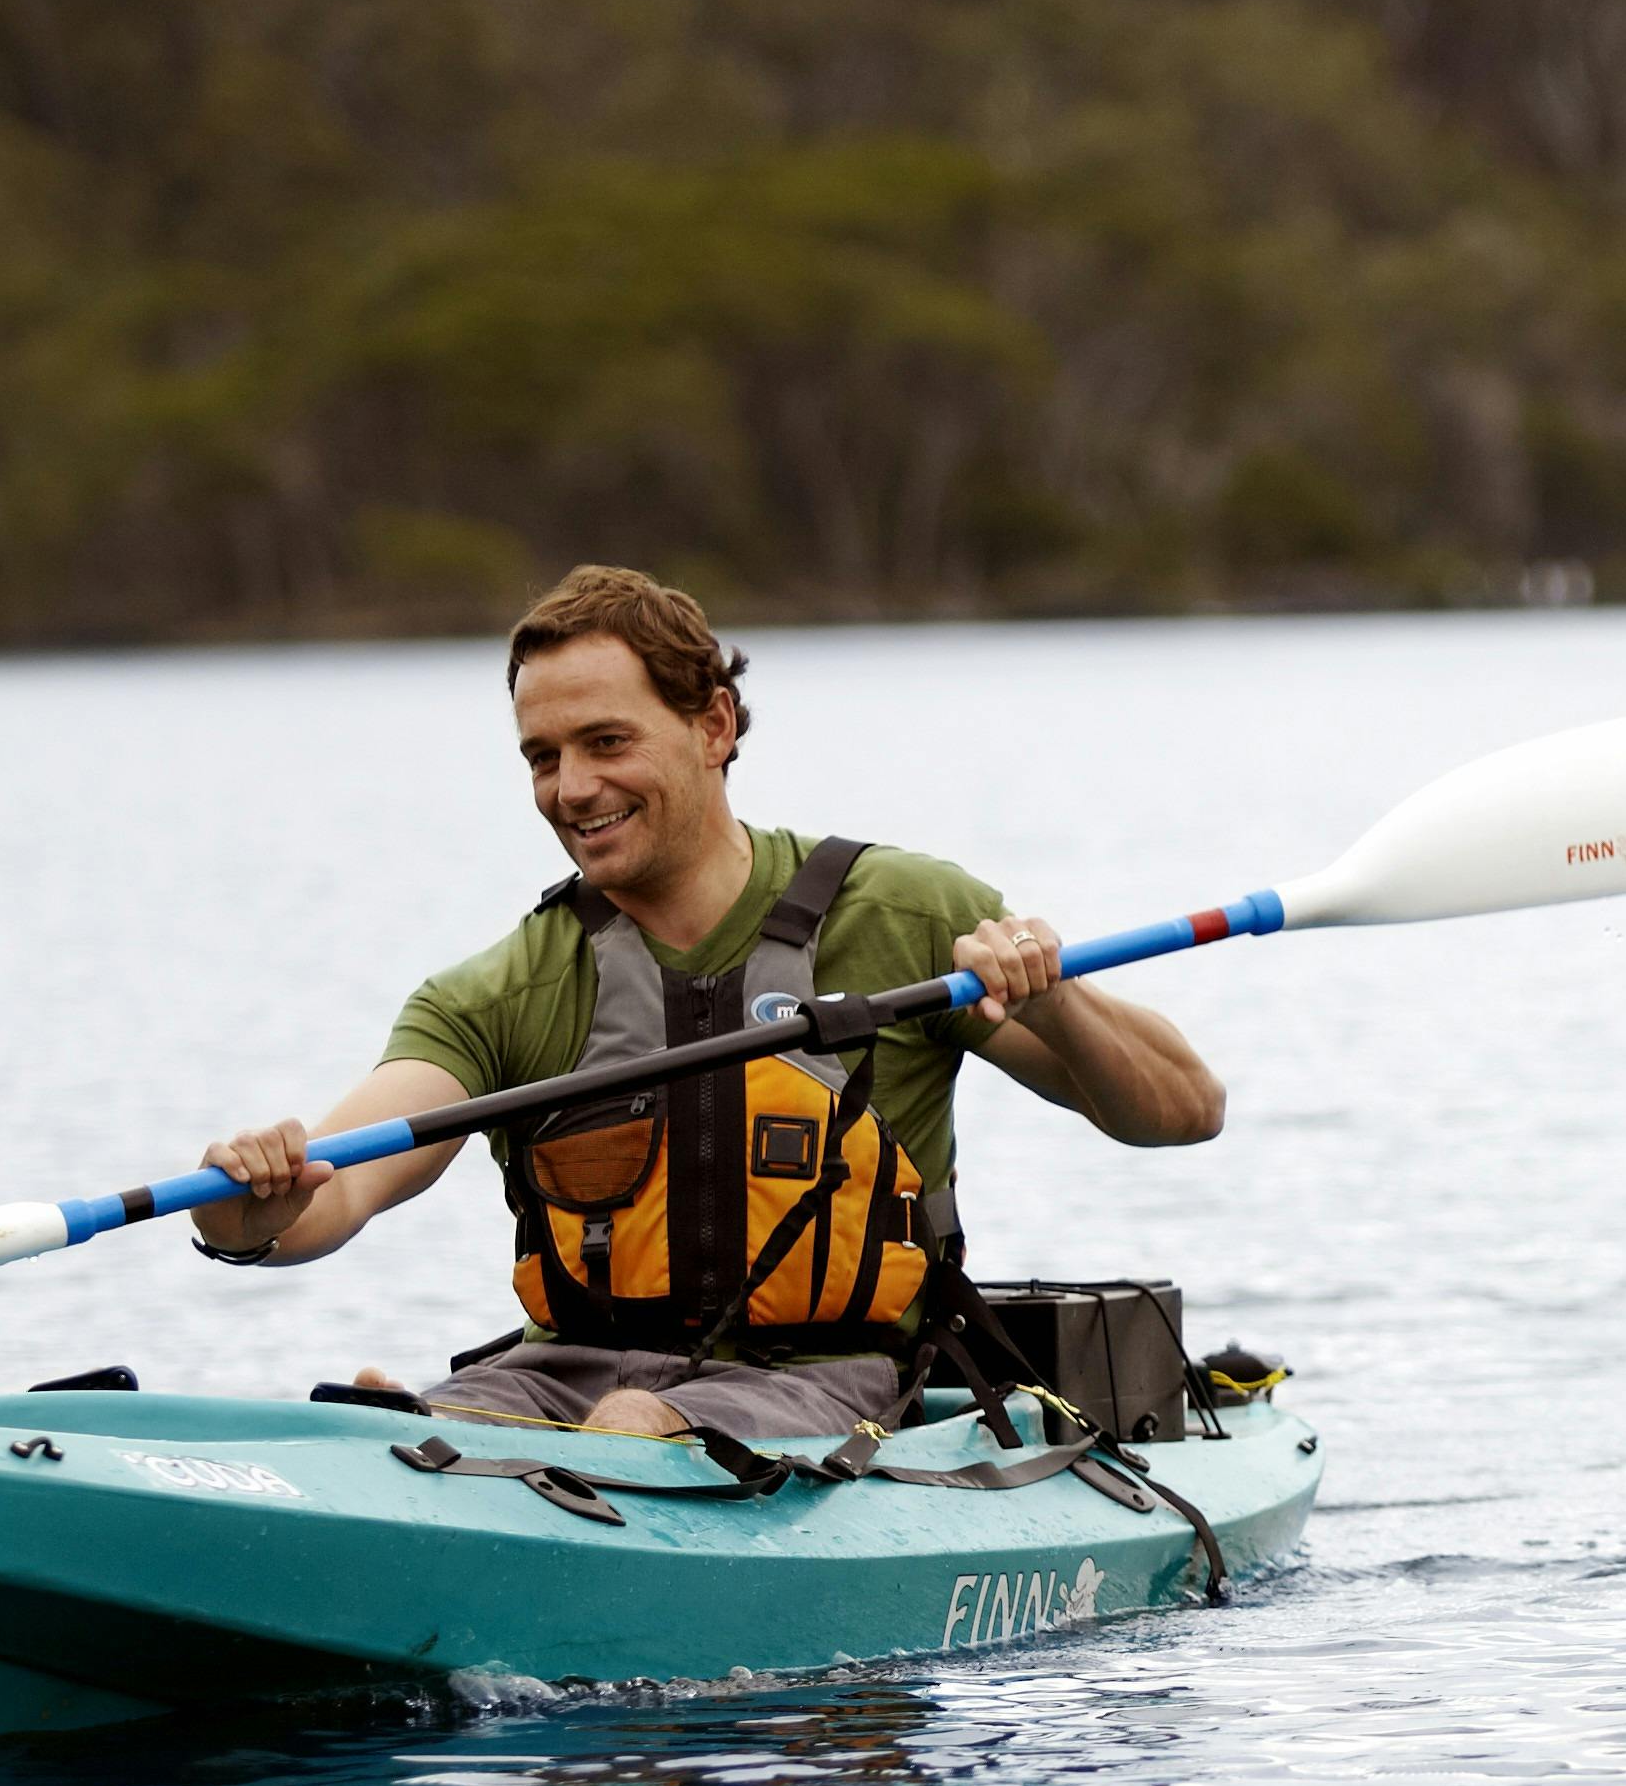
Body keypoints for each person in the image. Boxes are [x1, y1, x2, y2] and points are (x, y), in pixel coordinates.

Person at [187, 564, 1223, 1440]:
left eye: (606, 743)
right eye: (541, 759)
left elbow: (1183, 1112)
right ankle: (423, 1445)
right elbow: (338, 1188)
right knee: (398, 1428)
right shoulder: (503, 987)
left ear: (713, 725)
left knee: (634, 1428)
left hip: (838, 1383)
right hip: (567, 1376)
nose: (571, 788)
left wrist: (1056, 1006)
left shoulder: (907, 912)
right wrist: (248, 1208)